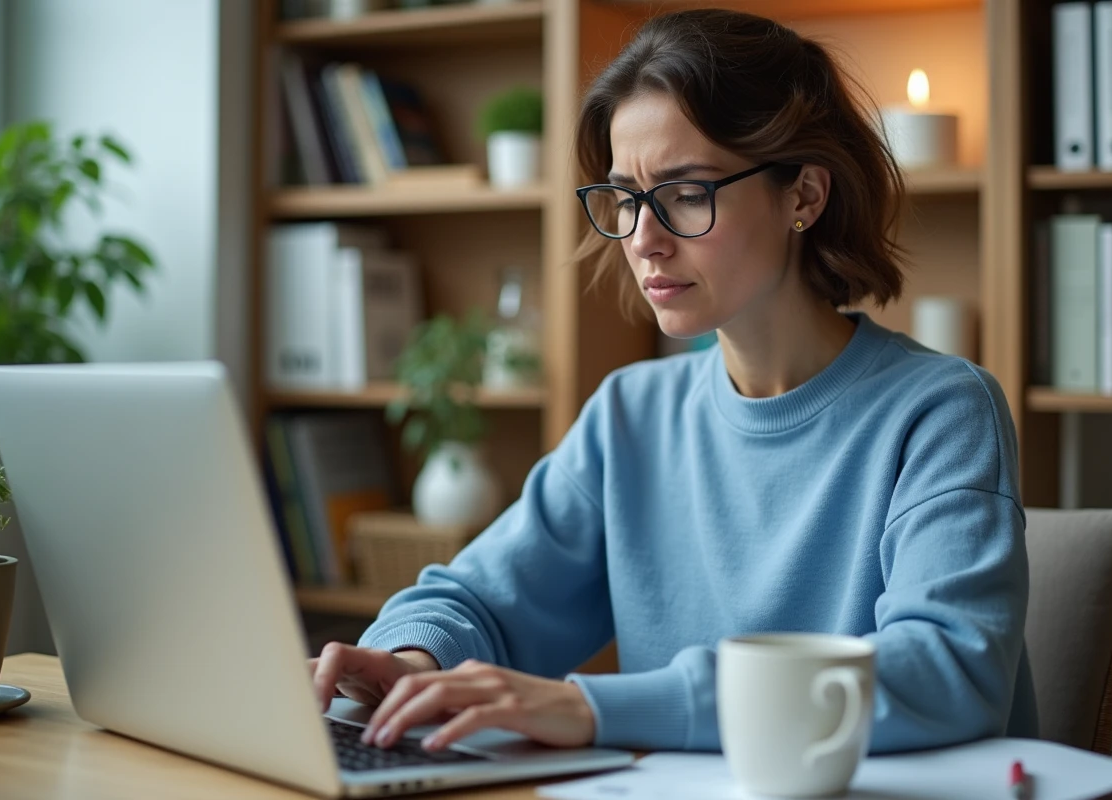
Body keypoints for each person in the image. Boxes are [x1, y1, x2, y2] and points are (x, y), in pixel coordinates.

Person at [310, 8, 1038, 756]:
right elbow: (484, 599)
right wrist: (407, 662)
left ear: (804, 197)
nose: (643, 239)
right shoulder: (631, 415)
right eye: (625, 198)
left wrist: (592, 709)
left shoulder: (942, 411)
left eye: (688, 193)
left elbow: (949, 672)